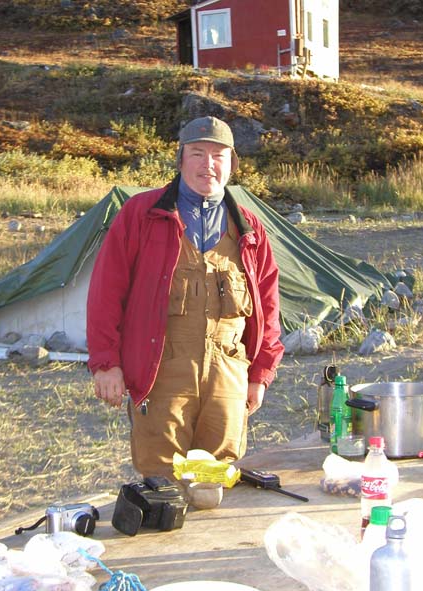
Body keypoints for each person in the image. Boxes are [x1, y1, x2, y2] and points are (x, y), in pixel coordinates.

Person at [86, 116, 284, 478]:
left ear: (232, 164)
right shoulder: (141, 215)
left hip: (228, 377)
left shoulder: (250, 229)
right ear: (180, 160)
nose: (208, 164)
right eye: (197, 153)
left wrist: (260, 375)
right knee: (163, 486)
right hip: (161, 375)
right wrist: (105, 363)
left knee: (216, 482)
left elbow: (269, 309)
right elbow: (105, 292)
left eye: (218, 155)